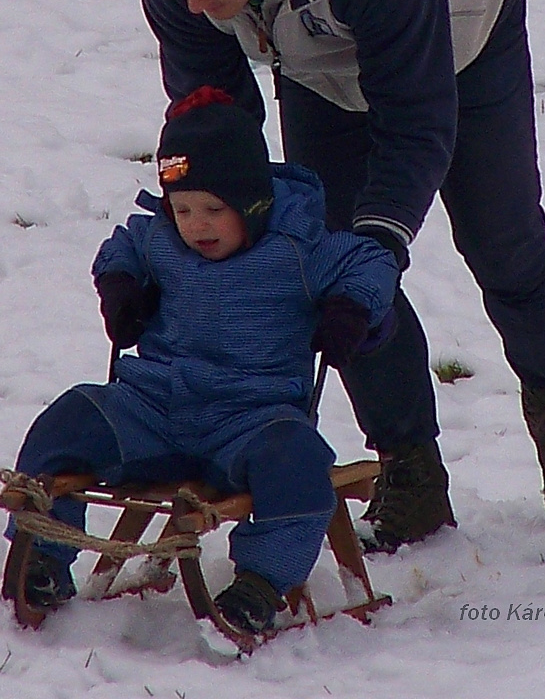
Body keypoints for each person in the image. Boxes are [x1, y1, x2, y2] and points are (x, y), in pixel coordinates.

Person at [139, 0, 545, 545]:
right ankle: (409, 465)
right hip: (318, 61)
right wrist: (225, 230)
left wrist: (383, 237)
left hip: (460, 35)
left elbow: (416, 117)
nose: (196, 2)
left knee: (501, 242)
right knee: (329, 262)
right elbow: (214, 128)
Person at [7, 86, 399, 632]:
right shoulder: (161, 238)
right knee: (67, 420)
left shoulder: (298, 246)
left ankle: (261, 583)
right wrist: (120, 286)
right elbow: (123, 244)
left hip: (251, 420)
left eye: (215, 209)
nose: (197, 225)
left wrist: (352, 309)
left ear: (254, 203)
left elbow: (371, 262)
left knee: (299, 462)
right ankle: (45, 557)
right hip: (153, 408)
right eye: (183, 208)